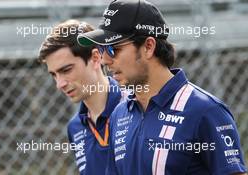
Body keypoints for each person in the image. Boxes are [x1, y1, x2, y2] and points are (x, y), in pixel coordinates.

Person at [77, 0, 248, 175]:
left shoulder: (206, 111)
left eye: (113, 49)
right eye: (101, 48)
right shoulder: (118, 114)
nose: (105, 59)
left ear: (148, 47)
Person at [38, 19, 123, 175]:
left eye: (66, 70)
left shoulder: (136, 105)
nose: (60, 84)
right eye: (54, 75)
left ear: (96, 58)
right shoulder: (75, 128)